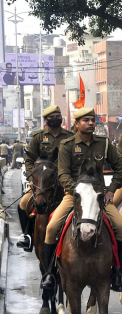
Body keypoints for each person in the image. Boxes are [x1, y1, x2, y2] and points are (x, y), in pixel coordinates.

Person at [42, 107, 122, 291]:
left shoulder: (104, 144)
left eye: (92, 120)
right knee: (51, 228)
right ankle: (49, 273)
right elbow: (63, 174)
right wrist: (79, 192)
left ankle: (119, 272)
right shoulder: (67, 145)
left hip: (99, 197)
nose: (90, 123)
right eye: (86, 120)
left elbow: (120, 169)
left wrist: (111, 190)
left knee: (121, 227)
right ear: (76, 124)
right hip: (74, 196)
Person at [16, 105, 74, 251]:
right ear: (46, 120)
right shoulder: (38, 137)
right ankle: (27, 236)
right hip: (42, 183)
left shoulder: (70, 136)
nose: (56, 118)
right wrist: (31, 178)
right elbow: (29, 160)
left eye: (58, 116)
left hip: (64, 181)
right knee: (23, 204)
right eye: (52, 116)